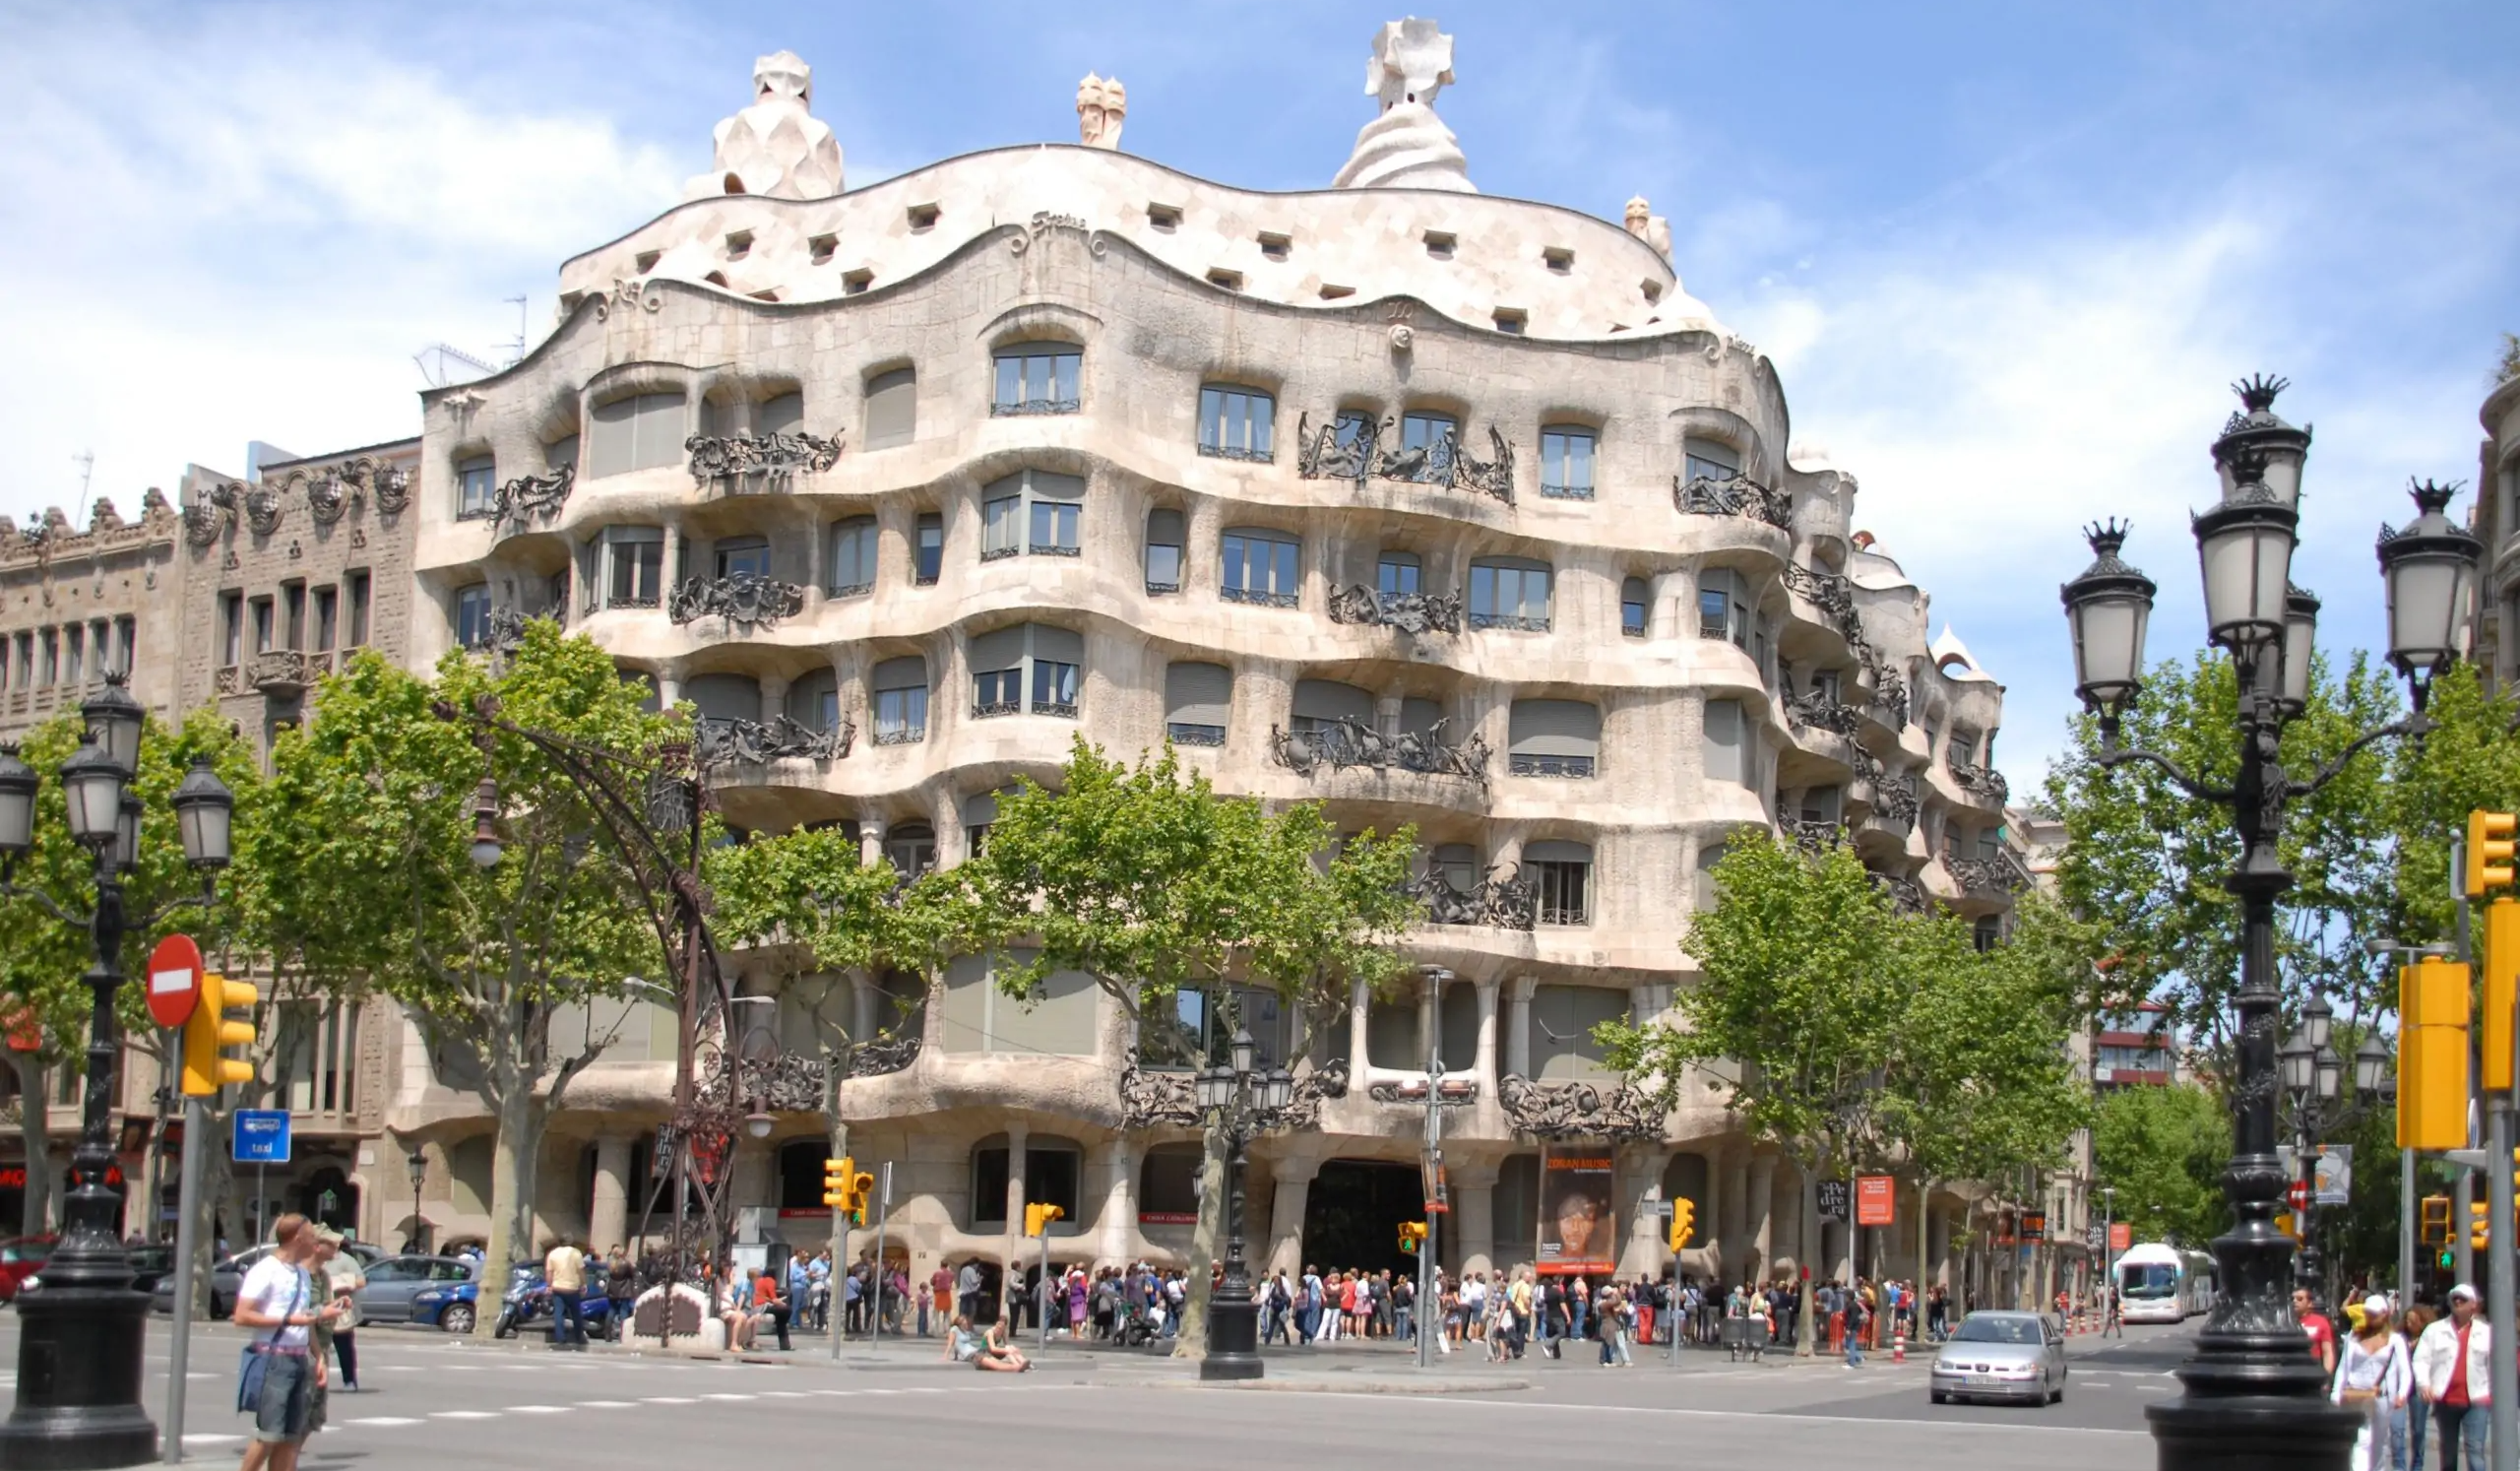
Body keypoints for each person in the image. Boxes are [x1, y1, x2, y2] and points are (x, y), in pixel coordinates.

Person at [232, 1213, 336, 1471]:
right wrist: (289, 1320)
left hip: (299, 1358)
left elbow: (305, 1319)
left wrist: (319, 1356)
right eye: (312, 1235)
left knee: (292, 1437)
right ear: (298, 1238)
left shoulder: (301, 1273)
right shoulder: (266, 1270)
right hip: (274, 1359)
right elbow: (242, 1315)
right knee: (269, 1435)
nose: (315, 1242)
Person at [2414, 1285, 2492, 1471]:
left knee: (2475, 1453)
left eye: (2462, 1299)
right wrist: (2424, 1384)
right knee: (2448, 1453)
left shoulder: (2486, 1332)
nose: (2457, 1302)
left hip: (2477, 1400)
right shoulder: (2435, 1330)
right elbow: (2421, 1360)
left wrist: (2493, 1392)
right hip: (2446, 1400)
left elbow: (2497, 1364)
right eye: (2455, 1298)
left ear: (2473, 1305)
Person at [2334, 1294, 2412, 1471]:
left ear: (2385, 1314)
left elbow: (2405, 1370)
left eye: (2374, 1314)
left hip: (2383, 1396)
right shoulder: (2354, 1337)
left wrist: (2402, 1394)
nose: (2370, 1317)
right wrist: (2336, 1394)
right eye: (2368, 1313)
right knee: (2361, 1439)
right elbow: (2343, 1367)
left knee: (2378, 1441)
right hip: (2356, 1394)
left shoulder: (2395, 1340)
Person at [315, 1228, 362, 1392]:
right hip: (318, 1311)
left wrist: (342, 1284)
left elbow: (361, 1281)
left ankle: (349, 1380)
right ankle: (316, 1380)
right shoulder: (311, 1262)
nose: (335, 1245)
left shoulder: (346, 1260)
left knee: (344, 1347)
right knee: (317, 1347)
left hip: (339, 1311)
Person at [544, 1238, 588, 1349]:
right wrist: (583, 1284)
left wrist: (549, 1285)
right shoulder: (576, 1253)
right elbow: (581, 1271)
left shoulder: (553, 1254)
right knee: (576, 1313)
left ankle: (560, 1338)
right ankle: (579, 1337)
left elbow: (549, 1272)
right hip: (572, 1288)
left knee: (559, 1313)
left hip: (558, 1287)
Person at [2298, 1286, 2340, 1376]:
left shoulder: (2320, 1322)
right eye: (2292, 1299)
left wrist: (2326, 1376)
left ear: (2310, 1303)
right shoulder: (2285, 1322)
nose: (2294, 1301)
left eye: (2299, 1299)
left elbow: (2327, 1352)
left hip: (2313, 1368)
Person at [753, 1264, 792, 1350]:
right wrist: (783, 1304)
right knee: (786, 1311)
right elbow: (774, 1300)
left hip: (757, 1305)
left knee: (781, 1318)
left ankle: (785, 1344)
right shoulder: (770, 1281)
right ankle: (784, 1344)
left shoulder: (760, 1280)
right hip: (762, 1306)